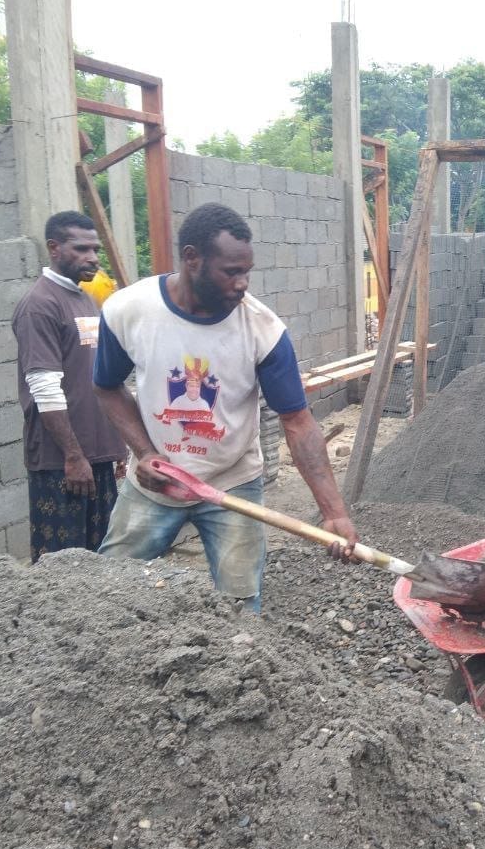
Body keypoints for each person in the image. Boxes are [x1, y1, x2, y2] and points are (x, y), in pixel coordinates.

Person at [92, 202, 358, 611]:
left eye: (246, 272)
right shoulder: (129, 312)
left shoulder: (263, 331)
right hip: (156, 482)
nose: (242, 284)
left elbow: (298, 422)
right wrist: (145, 453)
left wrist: (334, 513)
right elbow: (107, 387)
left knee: (240, 604)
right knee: (109, 590)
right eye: (231, 272)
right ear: (192, 258)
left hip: (233, 480)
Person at [12, 211, 127, 562]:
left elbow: (100, 379)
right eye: (81, 249)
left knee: (100, 559)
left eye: (95, 249)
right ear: (54, 248)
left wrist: (116, 444)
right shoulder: (40, 305)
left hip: (97, 458)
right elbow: (44, 388)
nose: (92, 257)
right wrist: (74, 457)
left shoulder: (85, 299)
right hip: (62, 463)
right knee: (61, 568)